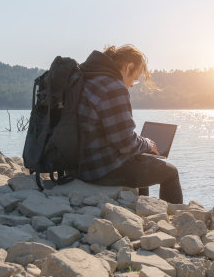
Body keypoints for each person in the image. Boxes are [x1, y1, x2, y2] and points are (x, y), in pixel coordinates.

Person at [75, 44, 183, 204]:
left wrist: (139, 144)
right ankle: (176, 223)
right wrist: (147, 143)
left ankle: (142, 210)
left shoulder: (89, 77)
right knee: (171, 172)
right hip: (98, 169)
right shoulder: (113, 86)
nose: (132, 84)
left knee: (138, 159)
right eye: (135, 77)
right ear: (128, 67)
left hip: (77, 163)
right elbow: (125, 143)